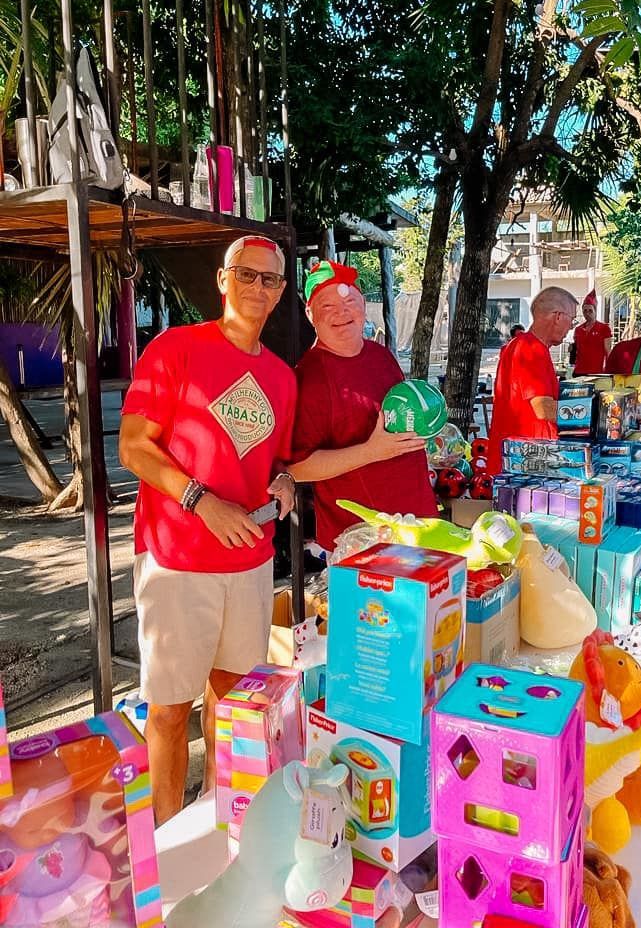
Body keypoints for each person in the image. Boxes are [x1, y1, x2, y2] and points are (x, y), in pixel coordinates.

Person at [119, 234, 296, 824]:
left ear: (280, 293)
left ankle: (217, 819)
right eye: (247, 275)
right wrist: (201, 500)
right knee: (169, 711)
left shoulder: (281, 377)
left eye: (270, 280)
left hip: (249, 564)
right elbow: (133, 448)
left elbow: (274, 463)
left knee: (231, 703)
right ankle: (166, 838)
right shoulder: (176, 348)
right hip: (177, 562)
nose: (258, 288)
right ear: (223, 280)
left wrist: (285, 487)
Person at [289, 260, 438, 553]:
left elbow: (396, 422)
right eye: (327, 305)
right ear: (310, 315)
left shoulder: (380, 355)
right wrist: (371, 451)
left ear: (363, 305)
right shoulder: (309, 378)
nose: (341, 312)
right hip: (362, 542)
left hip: (418, 525)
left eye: (349, 301)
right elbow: (297, 468)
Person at [487, 287, 578, 474]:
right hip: (527, 463)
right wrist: (593, 415)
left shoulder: (521, 345)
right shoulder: (531, 349)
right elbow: (543, 408)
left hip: (519, 459)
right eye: (572, 320)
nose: (571, 328)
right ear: (558, 316)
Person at [570, 289, 612, 375]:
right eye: (585, 311)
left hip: (596, 371)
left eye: (590, 310)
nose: (587, 313)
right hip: (579, 371)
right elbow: (576, 350)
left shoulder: (604, 328)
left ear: (595, 311)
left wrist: (609, 369)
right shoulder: (578, 329)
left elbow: (608, 351)